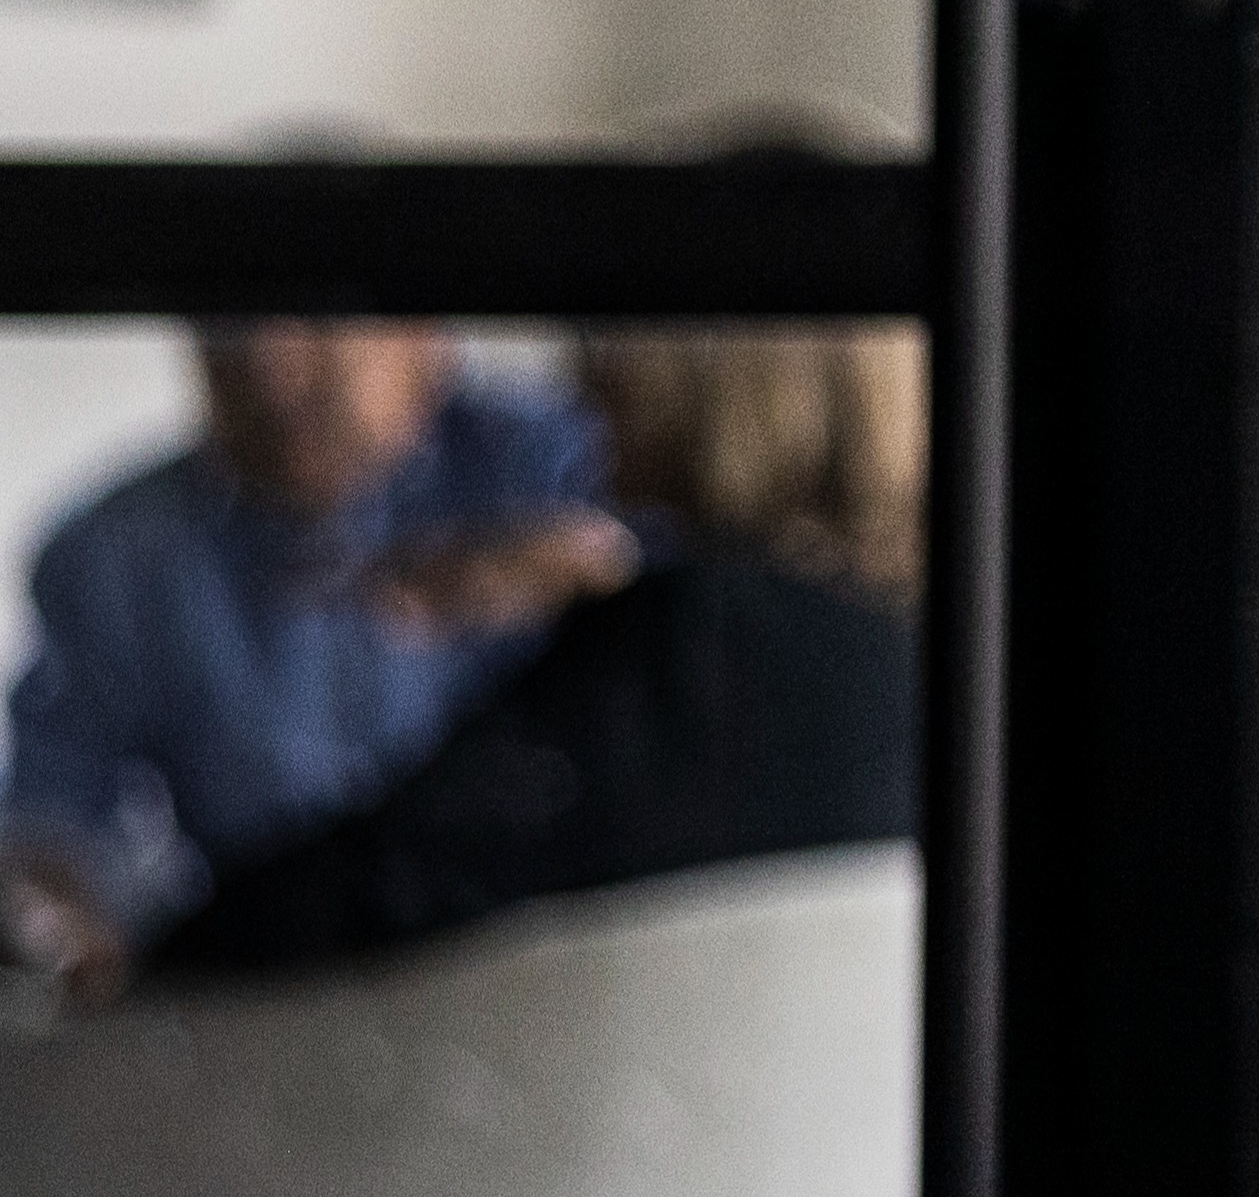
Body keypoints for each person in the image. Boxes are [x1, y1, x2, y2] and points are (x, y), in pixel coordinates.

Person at [151, 328, 921, 984]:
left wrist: (149, 967)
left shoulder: (697, 637)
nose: (584, 387)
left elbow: (393, 876)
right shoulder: (922, 649)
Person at [0, 321, 626, 998]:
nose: (273, 369)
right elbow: (52, 818)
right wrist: (55, 912)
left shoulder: (572, 467)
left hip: (547, 988)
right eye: (230, 331)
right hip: (269, 1008)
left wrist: (612, 592)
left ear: (425, 331)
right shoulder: (112, 557)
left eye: (317, 320)